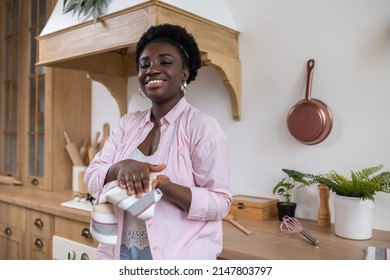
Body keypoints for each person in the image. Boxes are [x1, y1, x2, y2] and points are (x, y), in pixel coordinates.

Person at [84, 23, 232, 260]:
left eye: (165, 62)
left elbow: (221, 202)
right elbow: (92, 177)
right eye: (145, 64)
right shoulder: (127, 124)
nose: (152, 69)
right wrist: (119, 168)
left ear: (185, 72)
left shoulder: (202, 126)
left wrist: (165, 187)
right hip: (119, 255)